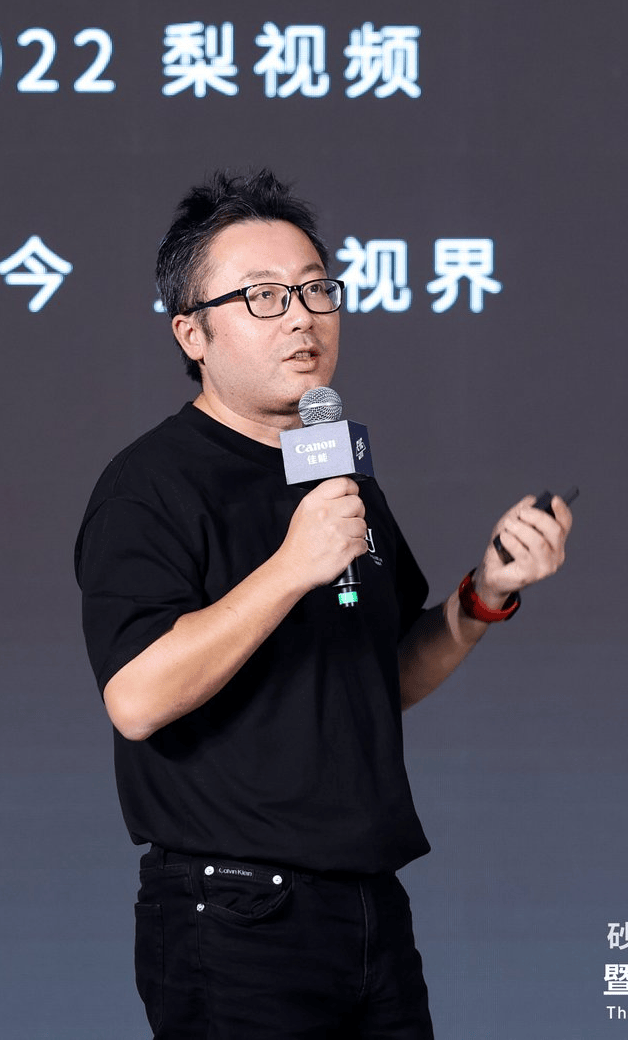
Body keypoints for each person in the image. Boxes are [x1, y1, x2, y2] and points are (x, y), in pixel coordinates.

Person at [74, 169, 572, 1038]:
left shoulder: (332, 463)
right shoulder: (148, 485)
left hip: (370, 906)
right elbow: (137, 697)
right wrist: (290, 566)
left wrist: (484, 594)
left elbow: (384, 674)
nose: (302, 317)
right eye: (264, 296)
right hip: (236, 913)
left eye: (316, 289)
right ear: (192, 331)